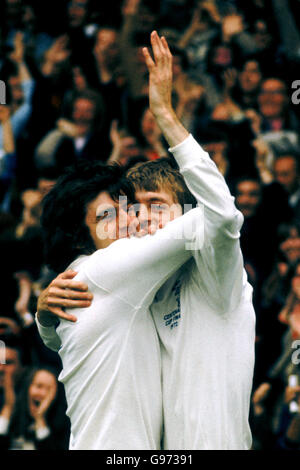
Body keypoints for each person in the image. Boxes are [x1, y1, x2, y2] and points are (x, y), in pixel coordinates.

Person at [36, 31, 255, 450]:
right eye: (123, 211)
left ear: (187, 210)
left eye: (156, 205)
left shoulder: (213, 266)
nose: (137, 219)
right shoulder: (124, 274)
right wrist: (43, 310)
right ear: (81, 234)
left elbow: (222, 216)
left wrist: (165, 115)